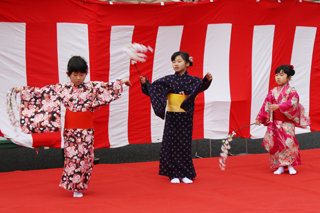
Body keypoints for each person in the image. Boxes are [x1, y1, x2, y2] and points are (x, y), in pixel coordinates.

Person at [13, 56, 132, 197]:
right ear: (68, 74)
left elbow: (106, 87)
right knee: (72, 157)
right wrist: (23, 90)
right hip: (71, 130)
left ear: (86, 73)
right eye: (75, 75)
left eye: (82, 75)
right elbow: (43, 92)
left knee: (86, 158)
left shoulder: (91, 87)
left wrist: (122, 82)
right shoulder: (62, 88)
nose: (78, 78)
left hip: (87, 130)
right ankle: (74, 186)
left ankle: (80, 186)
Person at [140, 51, 212, 184]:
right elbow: (154, 89)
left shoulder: (192, 80)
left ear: (187, 63)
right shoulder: (168, 79)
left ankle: (185, 173)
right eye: (173, 62)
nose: (176, 64)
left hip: (186, 116)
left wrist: (207, 80)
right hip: (172, 116)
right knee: (171, 144)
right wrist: (146, 84)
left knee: (184, 144)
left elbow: (201, 86)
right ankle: (172, 173)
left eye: (179, 61)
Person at [255, 65, 311, 175]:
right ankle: (279, 166)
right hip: (275, 123)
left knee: (289, 143)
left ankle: (290, 165)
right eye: (276, 75)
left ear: (289, 77)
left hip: (287, 122)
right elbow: (266, 106)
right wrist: (260, 119)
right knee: (276, 144)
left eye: (281, 75)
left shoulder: (292, 91)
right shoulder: (272, 92)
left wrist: (279, 106)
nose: (278, 78)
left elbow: (293, 104)